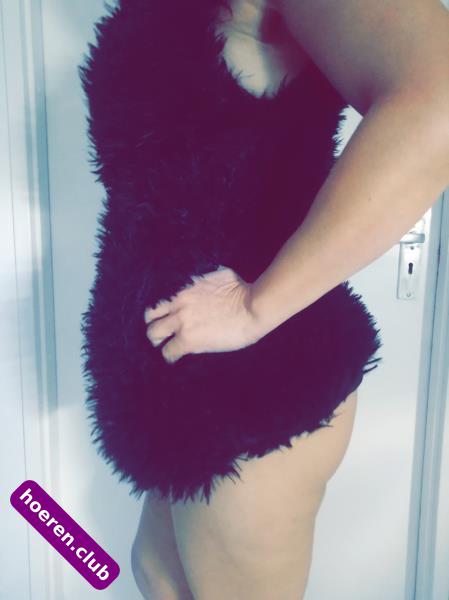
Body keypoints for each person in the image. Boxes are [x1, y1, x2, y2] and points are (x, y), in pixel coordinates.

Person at [79, 0, 449, 598]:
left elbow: (440, 99)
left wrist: (253, 309)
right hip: (173, 389)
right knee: (157, 572)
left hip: (251, 393)